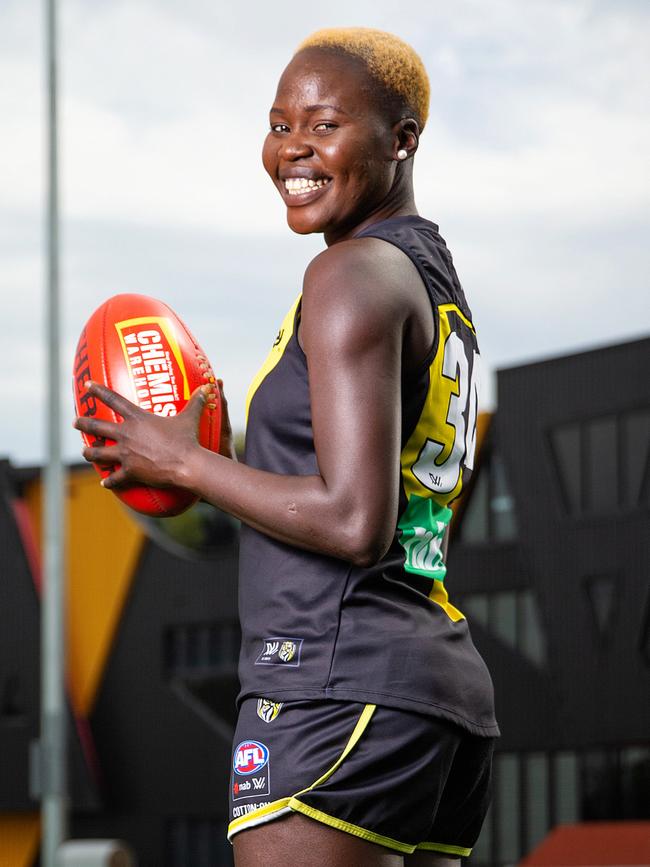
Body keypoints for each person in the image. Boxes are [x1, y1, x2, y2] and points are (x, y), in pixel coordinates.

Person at [76, 27, 499, 867]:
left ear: (403, 137)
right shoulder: (426, 272)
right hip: (427, 691)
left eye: (325, 125)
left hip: (334, 682)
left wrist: (184, 462)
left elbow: (353, 520)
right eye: (279, 125)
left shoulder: (348, 276)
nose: (293, 150)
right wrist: (232, 448)